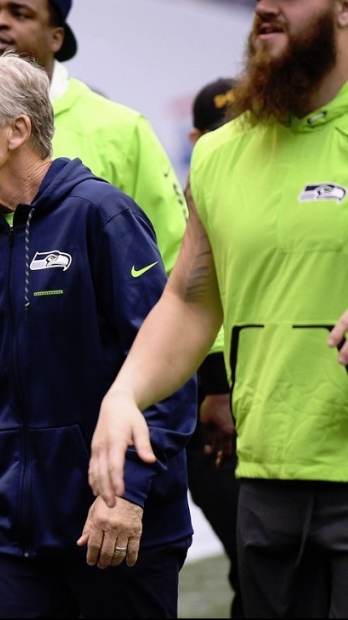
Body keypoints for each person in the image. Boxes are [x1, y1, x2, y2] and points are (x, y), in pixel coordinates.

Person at [89, 0, 348, 616]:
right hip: (264, 479)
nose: (265, 7)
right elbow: (189, 298)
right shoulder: (220, 152)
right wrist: (125, 394)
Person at [0, 51, 197, 618]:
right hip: (10, 534)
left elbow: (165, 365)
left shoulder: (103, 216)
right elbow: (1, 364)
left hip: (113, 525)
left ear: (18, 129)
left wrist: (127, 496)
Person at [184, 76, 244, 619]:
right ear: (197, 138)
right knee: (253, 561)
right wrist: (215, 387)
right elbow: (186, 304)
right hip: (211, 408)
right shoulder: (195, 202)